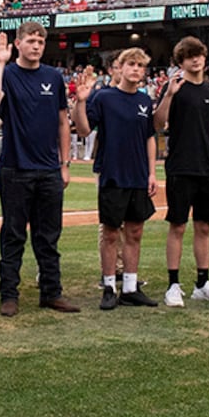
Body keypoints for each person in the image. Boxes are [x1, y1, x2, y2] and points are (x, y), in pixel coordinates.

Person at [0, 24, 77, 317]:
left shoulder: (53, 76)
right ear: (18, 44)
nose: (36, 46)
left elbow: (64, 122)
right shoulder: (8, 74)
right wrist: (0, 63)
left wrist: (65, 164)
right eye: (30, 41)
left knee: (48, 236)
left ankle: (52, 292)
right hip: (15, 167)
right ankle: (8, 294)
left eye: (40, 41)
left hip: (49, 168)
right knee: (13, 235)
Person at [70, 48, 159, 309]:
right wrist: (81, 101)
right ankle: (109, 285)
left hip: (138, 175)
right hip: (112, 173)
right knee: (110, 233)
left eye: (140, 66)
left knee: (135, 231)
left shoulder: (144, 101)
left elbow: (149, 138)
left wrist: (152, 172)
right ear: (119, 67)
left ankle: (130, 287)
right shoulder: (104, 97)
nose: (136, 70)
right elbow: (85, 130)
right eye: (131, 64)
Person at [154, 37, 209, 307]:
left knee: (204, 226)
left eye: (198, 55)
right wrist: (169, 95)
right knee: (177, 225)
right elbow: (158, 122)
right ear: (181, 61)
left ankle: (202, 282)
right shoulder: (174, 87)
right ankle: (173, 284)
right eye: (189, 57)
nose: (195, 60)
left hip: (207, 167)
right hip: (180, 165)